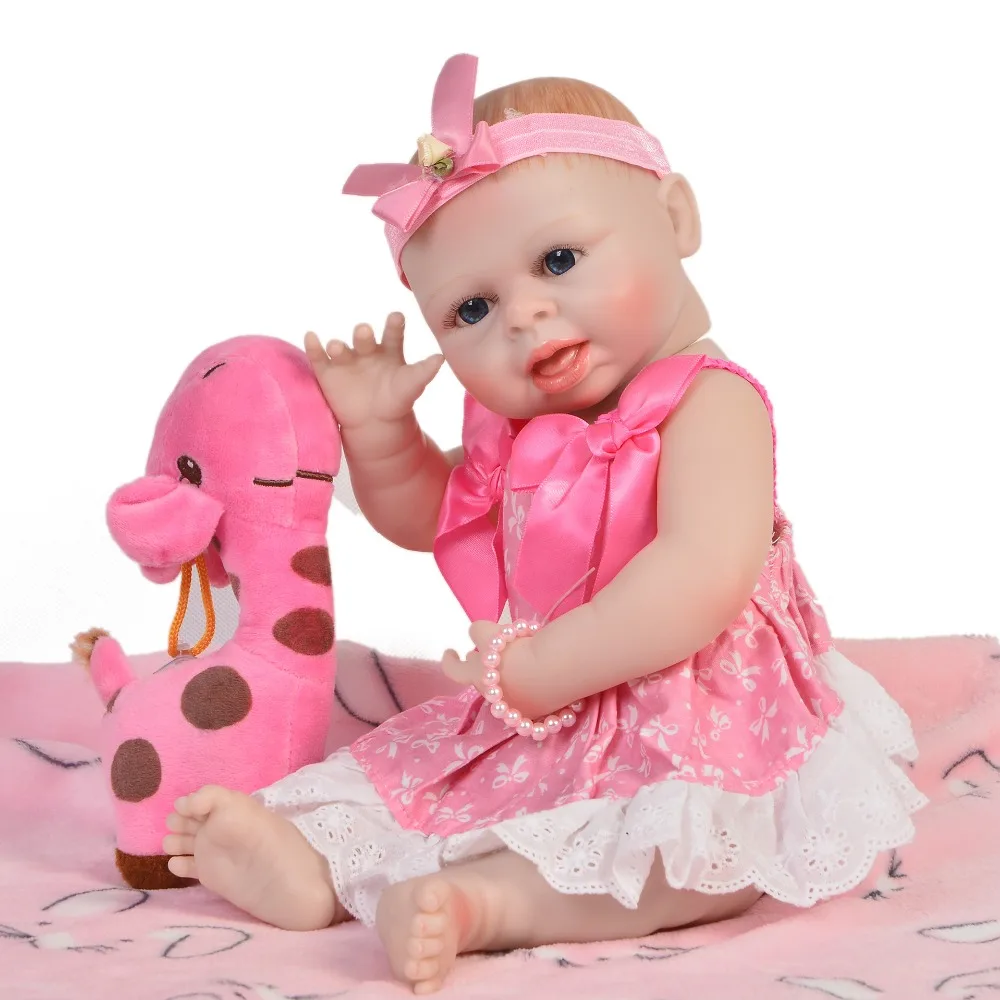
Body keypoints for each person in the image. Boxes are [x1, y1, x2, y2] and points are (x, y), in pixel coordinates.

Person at [163, 53, 926, 994]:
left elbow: (703, 574)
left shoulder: (710, 402)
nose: (522, 316)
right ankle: (312, 862)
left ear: (676, 218)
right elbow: (433, 518)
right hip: (548, 706)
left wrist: (538, 671)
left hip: (703, 708)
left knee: (693, 850)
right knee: (429, 778)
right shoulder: (518, 430)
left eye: (559, 260)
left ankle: (487, 905)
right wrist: (382, 433)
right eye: (471, 309)